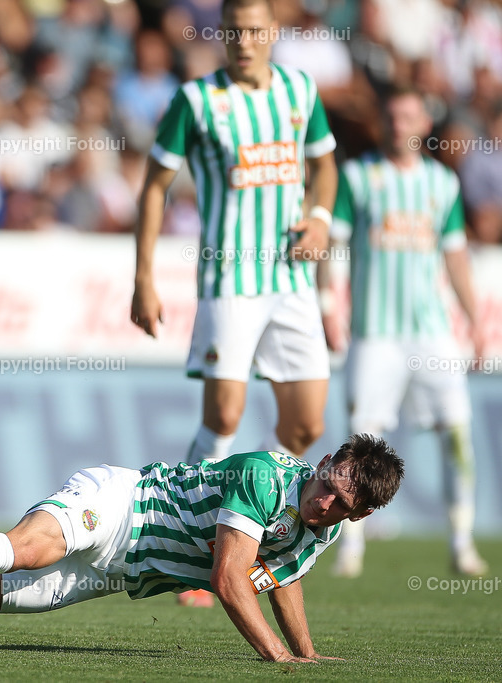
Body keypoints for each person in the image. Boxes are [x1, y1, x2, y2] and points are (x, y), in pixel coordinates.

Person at [0, 435, 404, 662]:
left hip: (121, 570)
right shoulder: (266, 477)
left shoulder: (323, 529)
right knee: (26, 548)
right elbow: (230, 579)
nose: (325, 503)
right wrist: (278, 659)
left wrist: (307, 653)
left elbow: (283, 579)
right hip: (122, 503)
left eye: (342, 505)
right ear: (326, 462)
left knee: (0, 591)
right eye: (328, 487)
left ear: (362, 513)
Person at [130, 0, 338, 605]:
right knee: (223, 416)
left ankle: (263, 521)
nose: (243, 40)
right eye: (232, 30)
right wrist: (143, 277)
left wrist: (320, 218)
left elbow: (325, 166)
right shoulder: (197, 100)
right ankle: (194, 544)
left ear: (273, 31)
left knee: (307, 425)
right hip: (230, 279)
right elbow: (154, 187)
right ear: (221, 33)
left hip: (293, 280)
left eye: (253, 30)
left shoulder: (300, 90)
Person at [321, 87, 488, 578]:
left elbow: (455, 255)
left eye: (408, 116)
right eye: (391, 116)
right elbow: (333, 245)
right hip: (375, 334)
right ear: (382, 122)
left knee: (456, 434)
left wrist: (475, 320)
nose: (398, 125)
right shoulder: (358, 177)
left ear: (423, 124)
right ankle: (350, 546)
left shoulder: (442, 183)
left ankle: (461, 542)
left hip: (431, 334)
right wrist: (328, 305)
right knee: (359, 443)